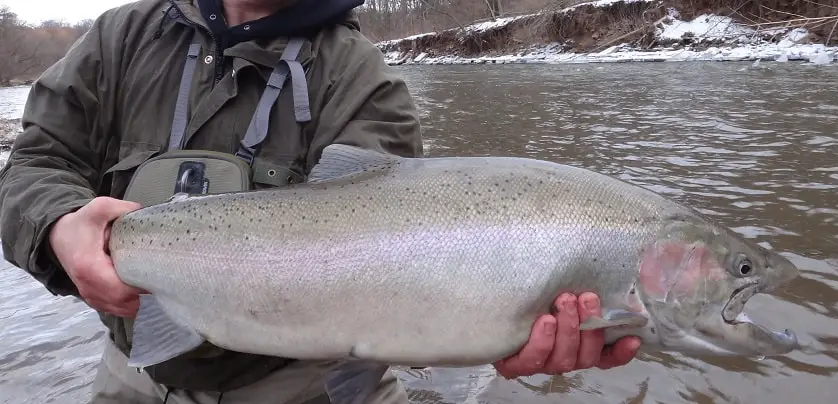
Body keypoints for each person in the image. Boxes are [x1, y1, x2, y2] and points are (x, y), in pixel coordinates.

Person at [0, 0, 642, 403]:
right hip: (133, 376)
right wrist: (57, 225)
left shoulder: (364, 81)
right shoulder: (120, 40)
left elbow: (400, 264)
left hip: (300, 387)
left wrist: (493, 321)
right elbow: (32, 166)